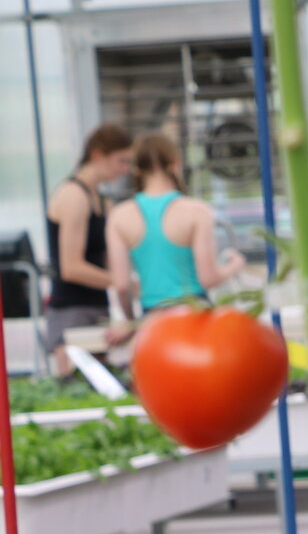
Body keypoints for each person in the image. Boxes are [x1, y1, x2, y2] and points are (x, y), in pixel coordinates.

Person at [107, 133, 245, 315]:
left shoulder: (119, 216)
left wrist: (132, 323)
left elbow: (122, 286)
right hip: (195, 315)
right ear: (175, 164)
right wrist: (235, 266)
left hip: (153, 320)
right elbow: (209, 278)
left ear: (137, 169)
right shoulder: (197, 211)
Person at [43, 124, 133, 375]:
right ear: (97, 155)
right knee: (75, 390)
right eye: (121, 161)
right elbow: (71, 268)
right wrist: (121, 282)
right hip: (70, 311)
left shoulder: (104, 201)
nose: (125, 170)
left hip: (98, 308)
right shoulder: (73, 195)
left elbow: (110, 261)